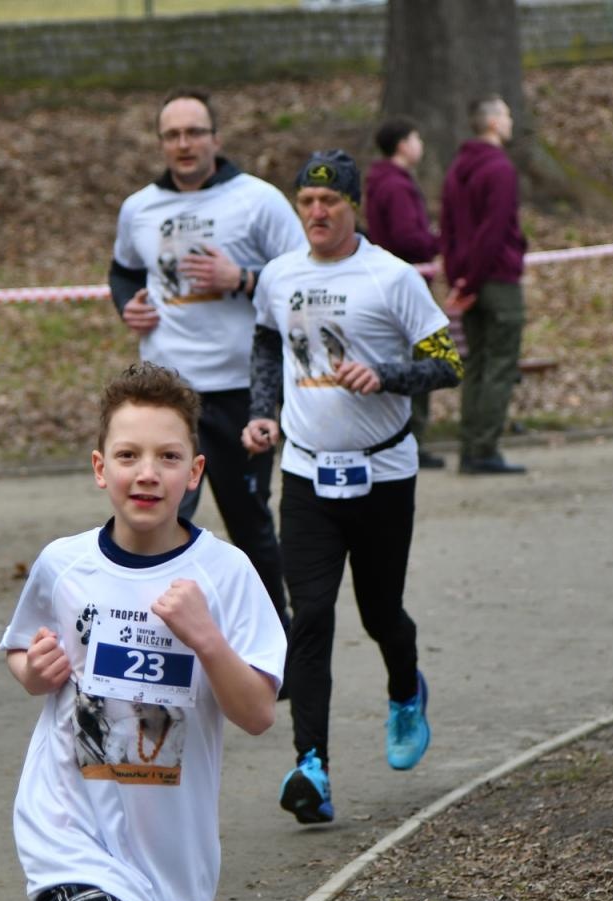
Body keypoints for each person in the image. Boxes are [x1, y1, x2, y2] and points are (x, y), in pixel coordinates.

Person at [2, 363, 284, 901]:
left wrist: (206, 639)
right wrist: (33, 672)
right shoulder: (65, 565)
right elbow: (23, 652)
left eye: (166, 457)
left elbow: (257, 712)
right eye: (129, 456)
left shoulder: (226, 576)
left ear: (196, 472)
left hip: (173, 849)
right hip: (71, 824)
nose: (146, 473)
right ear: (102, 468)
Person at [243, 150, 462, 825]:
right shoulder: (279, 277)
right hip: (308, 473)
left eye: (328, 202)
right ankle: (313, 766)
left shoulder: (391, 278)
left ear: (352, 207)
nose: (316, 213)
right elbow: (264, 346)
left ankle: (405, 689)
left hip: (383, 473)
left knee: (379, 613)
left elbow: (449, 362)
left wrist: (387, 375)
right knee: (309, 616)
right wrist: (261, 412)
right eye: (306, 202)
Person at [109, 88, 306, 629]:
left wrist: (240, 278)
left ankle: (272, 642)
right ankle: (148, 639)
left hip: (241, 391)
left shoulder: (257, 200)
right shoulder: (139, 209)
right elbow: (123, 270)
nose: (184, 144)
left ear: (216, 139)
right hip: (166, 394)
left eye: (194, 132)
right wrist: (129, 304)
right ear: (161, 144)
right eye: (172, 135)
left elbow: (302, 280)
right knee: (154, 519)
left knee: (248, 524)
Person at [440, 96, 529, 475]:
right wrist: (474, 280)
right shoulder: (499, 170)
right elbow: (493, 231)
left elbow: (449, 230)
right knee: (499, 364)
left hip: (467, 278)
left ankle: (469, 445)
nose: (511, 122)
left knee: (476, 364)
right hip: (494, 279)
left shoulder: (457, 168)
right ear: (492, 123)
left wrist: (459, 278)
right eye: (506, 115)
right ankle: (484, 447)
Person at [364, 117, 446, 468]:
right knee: (416, 362)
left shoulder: (385, 181)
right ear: (402, 144)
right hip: (404, 286)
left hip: (393, 282)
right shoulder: (395, 186)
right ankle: (411, 440)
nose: (420, 145)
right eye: (416, 138)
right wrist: (439, 241)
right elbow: (405, 237)